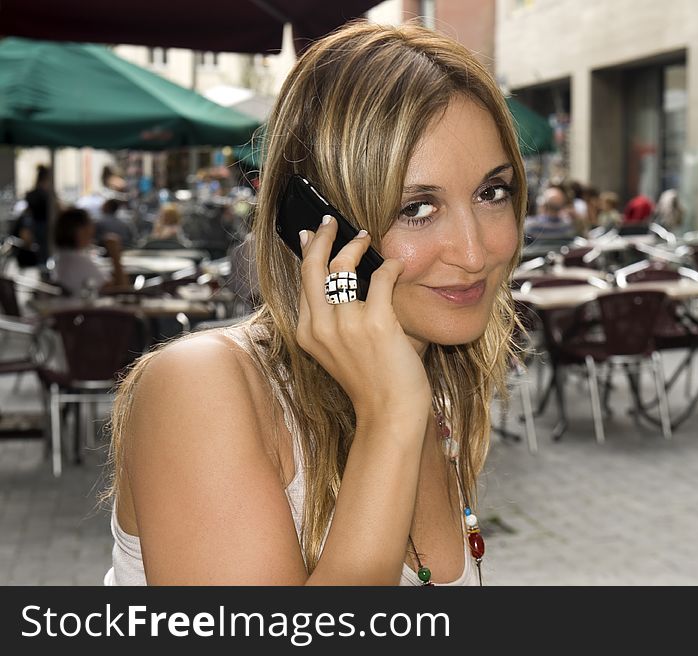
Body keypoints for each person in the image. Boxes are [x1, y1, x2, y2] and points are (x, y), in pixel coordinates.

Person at [101, 21, 526, 586]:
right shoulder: (203, 388)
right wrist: (391, 418)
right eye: (415, 208)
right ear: (315, 224)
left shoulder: (438, 385)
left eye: (491, 192)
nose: (475, 253)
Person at [51, 208, 129, 296]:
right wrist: (115, 254)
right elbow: (121, 292)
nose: (92, 230)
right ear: (79, 231)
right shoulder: (78, 262)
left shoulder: (62, 256)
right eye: (89, 224)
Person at [24, 164, 55, 265]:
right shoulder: (47, 195)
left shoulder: (31, 194)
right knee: (45, 254)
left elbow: (28, 213)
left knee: (40, 255)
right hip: (46, 228)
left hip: (35, 227)